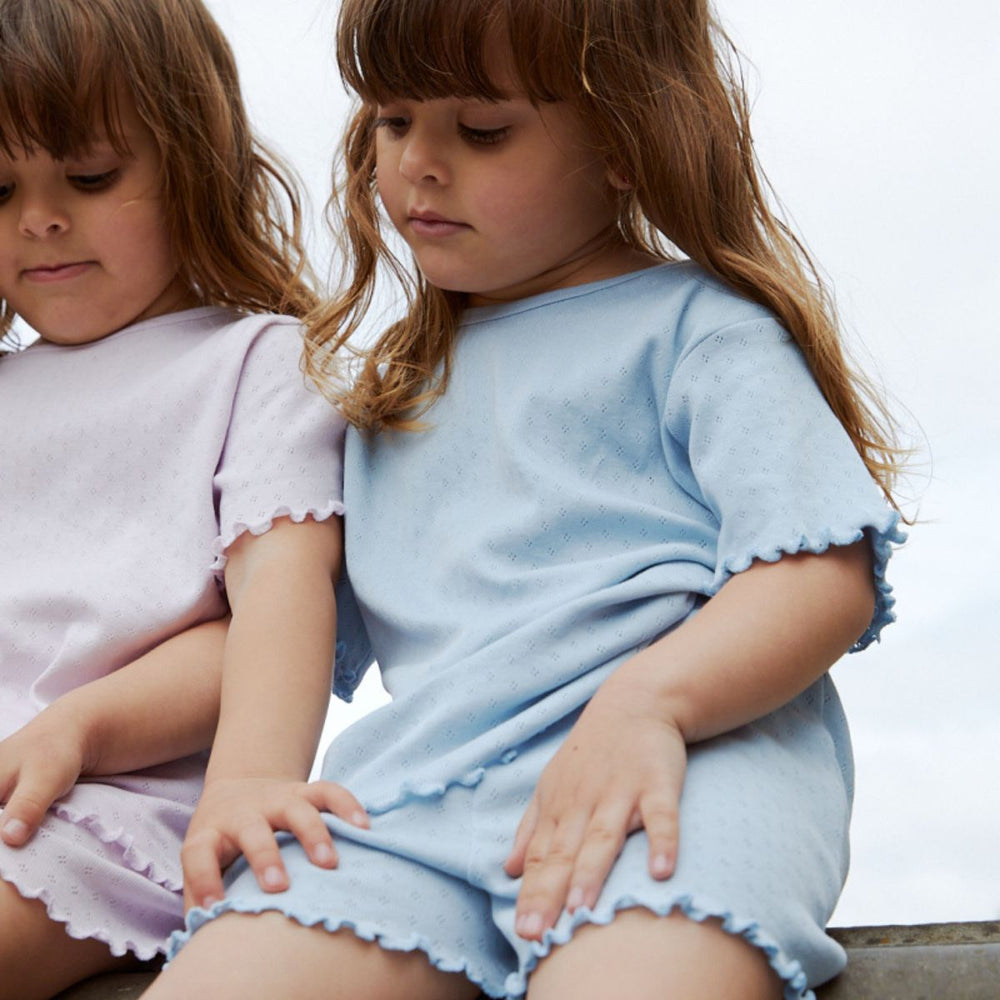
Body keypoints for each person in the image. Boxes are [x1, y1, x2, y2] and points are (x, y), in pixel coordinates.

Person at [155, 1, 908, 998]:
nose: (417, 162)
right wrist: (94, 733)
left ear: (626, 142)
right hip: (418, 797)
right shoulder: (389, 392)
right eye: (391, 121)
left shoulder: (701, 331)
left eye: (482, 131)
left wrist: (650, 700)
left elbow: (820, 572)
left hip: (684, 761)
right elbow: (271, 621)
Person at [0, 1, 368, 997]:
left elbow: (274, 610)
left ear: (192, 160)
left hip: (96, 812)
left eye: (89, 175)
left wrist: (80, 730)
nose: (38, 218)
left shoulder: (259, 365)